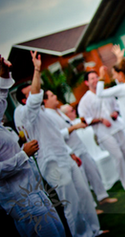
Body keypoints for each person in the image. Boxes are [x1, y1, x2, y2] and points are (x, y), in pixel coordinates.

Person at [14, 53, 102, 237]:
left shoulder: (44, 112)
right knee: (71, 203)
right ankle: (82, 235)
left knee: (84, 195)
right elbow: (35, 100)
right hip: (51, 162)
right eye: (32, 92)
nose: (37, 92)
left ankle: (95, 230)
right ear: (24, 100)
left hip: (65, 156)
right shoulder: (23, 113)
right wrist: (37, 69)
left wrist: (70, 152)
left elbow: (55, 136)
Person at [1, 56, 66, 237]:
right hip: (20, 198)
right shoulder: (23, 111)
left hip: (34, 189)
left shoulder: (3, 126)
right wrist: (23, 154)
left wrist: (4, 73)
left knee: (58, 231)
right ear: (23, 100)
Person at [42, 89, 117, 206]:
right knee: (82, 182)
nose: (55, 96)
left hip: (80, 147)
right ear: (45, 100)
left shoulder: (58, 111)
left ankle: (103, 197)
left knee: (94, 173)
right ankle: (91, 205)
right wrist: (74, 127)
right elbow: (56, 136)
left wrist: (78, 125)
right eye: (52, 95)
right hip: (71, 151)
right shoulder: (47, 116)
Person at [77, 70, 125, 194]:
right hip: (103, 132)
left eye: (96, 77)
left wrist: (115, 113)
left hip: (117, 126)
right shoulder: (84, 101)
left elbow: (116, 106)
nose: (95, 80)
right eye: (92, 78)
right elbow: (85, 119)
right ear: (86, 82)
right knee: (118, 156)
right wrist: (100, 120)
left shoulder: (105, 92)